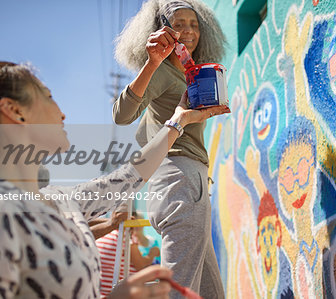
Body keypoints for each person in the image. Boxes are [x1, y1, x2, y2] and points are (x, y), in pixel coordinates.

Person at [0, 61, 228, 298]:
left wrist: (179, 120)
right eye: (48, 96)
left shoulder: (60, 201)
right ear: (15, 110)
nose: (62, 114)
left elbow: (129, 177)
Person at [113, 0, 227, 297]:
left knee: (210, 292)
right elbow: (121, 115)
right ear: (162, 30)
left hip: (188, 182)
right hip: (180, 181)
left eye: (193, 24)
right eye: (178, 24)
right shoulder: (162, 71)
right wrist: (152, 62)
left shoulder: (190, 74)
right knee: (180, 289)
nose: (188, 31)